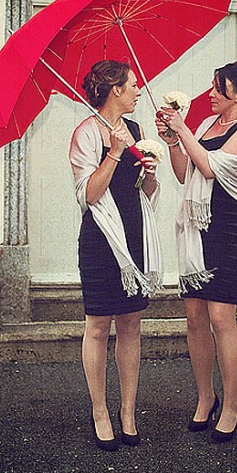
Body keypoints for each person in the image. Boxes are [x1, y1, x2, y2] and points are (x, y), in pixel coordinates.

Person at [156, 61, 237, 443]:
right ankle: (206, 397)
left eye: (220, 87)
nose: (212, 93)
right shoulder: (204, 126)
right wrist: (173, 141)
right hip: (197, 228)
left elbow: (210, 169)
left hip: (230, 229)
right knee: (194, 317)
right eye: (213, 85)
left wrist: (181, 128)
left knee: (222, 317)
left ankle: (232, 403)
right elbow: (184, 171)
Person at [69, 60, 162, 451]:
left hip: (133, 236)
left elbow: (146, 191)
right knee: (97, 327)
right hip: (100, 240)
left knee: (130, 325)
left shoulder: (138, 131)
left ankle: (127, 412)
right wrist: (114, 153)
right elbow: (88, 195)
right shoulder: (86, 133)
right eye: (133, 84)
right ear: (116, 91)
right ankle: (100, 412)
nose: (139, 89)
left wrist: (151, 173)